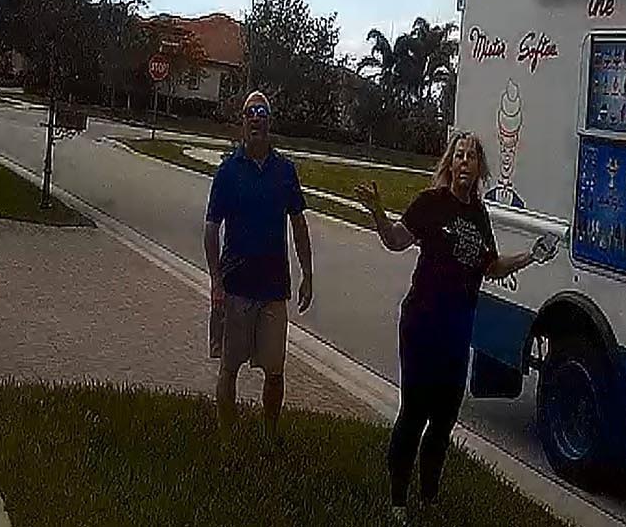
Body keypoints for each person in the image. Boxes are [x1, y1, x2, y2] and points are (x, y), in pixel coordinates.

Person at [355, 132, 549, 521]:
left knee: (444, 417)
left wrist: (531, 255)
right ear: (449, 164)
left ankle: (429, 496)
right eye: (458, 155)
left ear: (479, 169)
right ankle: (397, 498)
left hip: (458, 326)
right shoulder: (431, 204)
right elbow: (396, 240)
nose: (464, 162)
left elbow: (490, 267)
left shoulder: (479, 214)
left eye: (471, 157)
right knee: (414, 411)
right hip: (422, 321)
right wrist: (377, 213)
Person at [204, 91, 314, 438]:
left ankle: (269, 435)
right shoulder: (227, 172)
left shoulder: (285, 171)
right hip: (235, 287)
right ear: (243, 123)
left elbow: (298, 224)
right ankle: (227, 436)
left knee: (275, 370)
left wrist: (308, 274)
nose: (256, 118)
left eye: (262, 112)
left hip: (273, 290)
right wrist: (216, 281)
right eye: (250, 112)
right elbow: (211, 228)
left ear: (269, 122)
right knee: (229, 366)